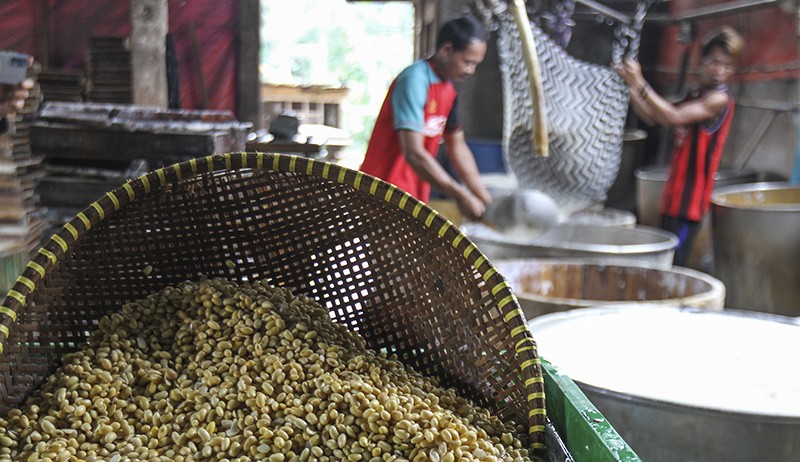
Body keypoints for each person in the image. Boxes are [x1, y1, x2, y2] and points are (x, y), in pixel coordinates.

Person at [616, 26, 743, 266]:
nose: (719, 71)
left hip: (689, 204)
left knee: (675, 264)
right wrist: (631, 88)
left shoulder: (718, 99)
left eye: (727, 66)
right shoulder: (694, 95)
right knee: (665, 262)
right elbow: (657, 116)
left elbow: (673, 116)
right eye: (715, 62)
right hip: (673, 198)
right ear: (702, 61)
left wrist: (640, 82)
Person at [360, 15, 492, 221]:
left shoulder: (448, 89)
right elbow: (414, 153)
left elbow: (458, 147)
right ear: (447, 50)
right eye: (467, 62)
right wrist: (461, 194)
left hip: (414, 191)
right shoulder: (414, 80)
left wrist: (486, 201)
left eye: (475, 64)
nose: (470, 70)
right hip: (384, 188)